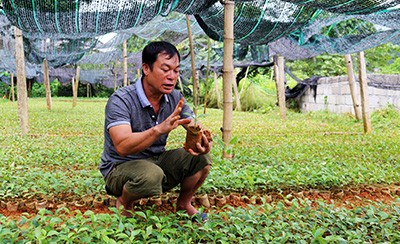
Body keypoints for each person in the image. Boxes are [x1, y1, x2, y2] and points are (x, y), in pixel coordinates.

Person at [99, 41, 212, 222]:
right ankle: (125, 202)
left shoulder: (175, 97)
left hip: (156, 161)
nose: (172, 77)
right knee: (152, 175)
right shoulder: (121, 100)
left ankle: (184, 204)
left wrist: (203, 140)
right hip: (120, 167)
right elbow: (122, 146)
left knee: (202, 159)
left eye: (175, 71)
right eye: (165, 69)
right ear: (146, 68)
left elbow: (194, 124)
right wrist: (159, 129)